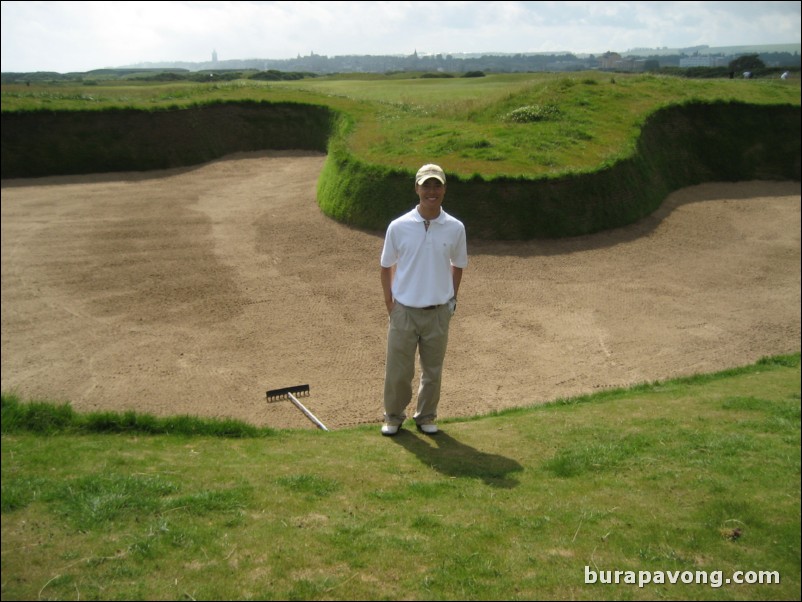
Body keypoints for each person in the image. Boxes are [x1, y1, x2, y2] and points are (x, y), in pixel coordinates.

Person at [379, 163, 468, 436]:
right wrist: (390, 304)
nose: (432, 191)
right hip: (404, 310)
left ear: (444, 189)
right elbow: (386, 266)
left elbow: (459, 264)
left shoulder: (455, 228)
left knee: (433, 371)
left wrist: (451, 300)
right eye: (426, 185)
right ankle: (393, 417)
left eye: (436, 185)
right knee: (398, 372)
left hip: (438, 312)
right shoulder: (399, 226)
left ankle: (426, 416)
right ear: (417, 188)